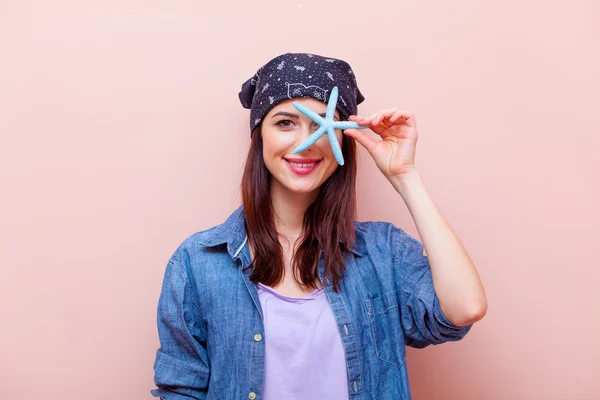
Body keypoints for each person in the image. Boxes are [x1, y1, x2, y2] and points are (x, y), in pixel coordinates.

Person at [151, 52, 487, 400]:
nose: (304, 142)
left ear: (343, 137)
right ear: (258, 135)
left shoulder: (383, 252)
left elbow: (465, 308)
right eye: (285, 123)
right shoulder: (197, 262)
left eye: (322, 123)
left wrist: (405, 176)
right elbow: (181, 390)